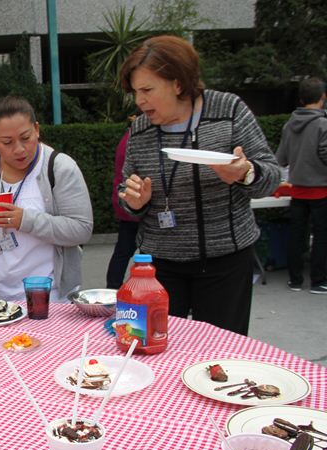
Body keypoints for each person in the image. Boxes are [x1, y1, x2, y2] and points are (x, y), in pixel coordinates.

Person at [117, 35, 281, 335]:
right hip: (159, 265)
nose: (140, 101)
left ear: (178, 83)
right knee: (154, 347)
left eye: (147, 90)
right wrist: (133, 200)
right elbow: (125, 190)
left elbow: (270, 176)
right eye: (136, 92)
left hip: (225, 261)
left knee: (222, 353)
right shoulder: (140, 129)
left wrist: (245, 174)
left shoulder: (228, 110)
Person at [0, 96, 93, 301]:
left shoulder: (59, 167)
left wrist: (26, 221)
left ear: (36, 129)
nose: (19, 149)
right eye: (7, 142)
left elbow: (82, 229)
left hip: (48, 297)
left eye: (26, 137)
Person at [276, 77, 327, 294]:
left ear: (301, 98)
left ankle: (295, 280)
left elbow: (281, 159)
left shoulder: (289, 125)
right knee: (322, 238)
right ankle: (318, 281)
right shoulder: (323, 124)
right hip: (321, 190)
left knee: (296, 236)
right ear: (323, 97)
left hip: (297, 190)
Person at [105, 126, 139, 289]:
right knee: (127, 252)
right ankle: (114, 287)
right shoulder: (137, 139)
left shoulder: (127, 137)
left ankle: (112, 287)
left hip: (126, 205)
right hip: (134, 207)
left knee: (122, 252)